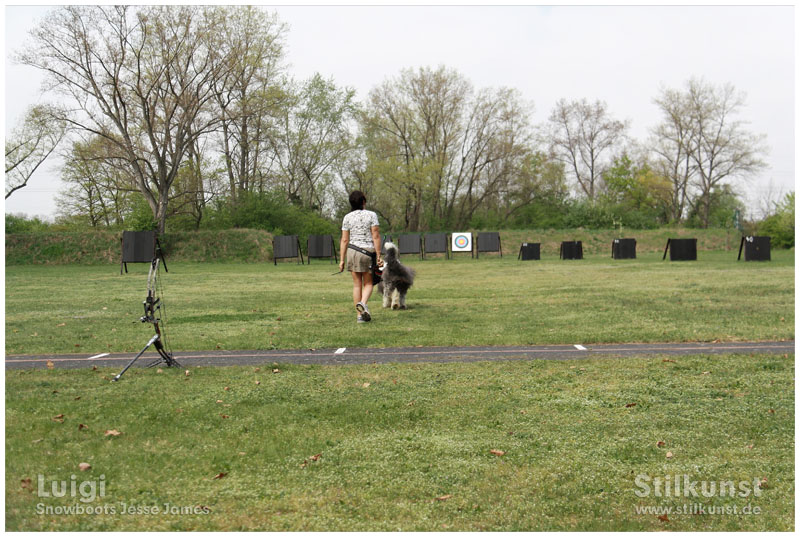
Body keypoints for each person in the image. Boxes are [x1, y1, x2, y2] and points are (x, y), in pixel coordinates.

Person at [339, 190, 382, 323]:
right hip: (367, 252)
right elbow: (375, 235)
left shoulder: (347, 217)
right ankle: (363, 303)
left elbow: (344, 240)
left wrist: (341, 260)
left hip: (352, 252)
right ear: (363, 201)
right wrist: (379, 255)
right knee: (368, 283)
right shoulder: (371, 215)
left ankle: (359, 316)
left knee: (357, 284)